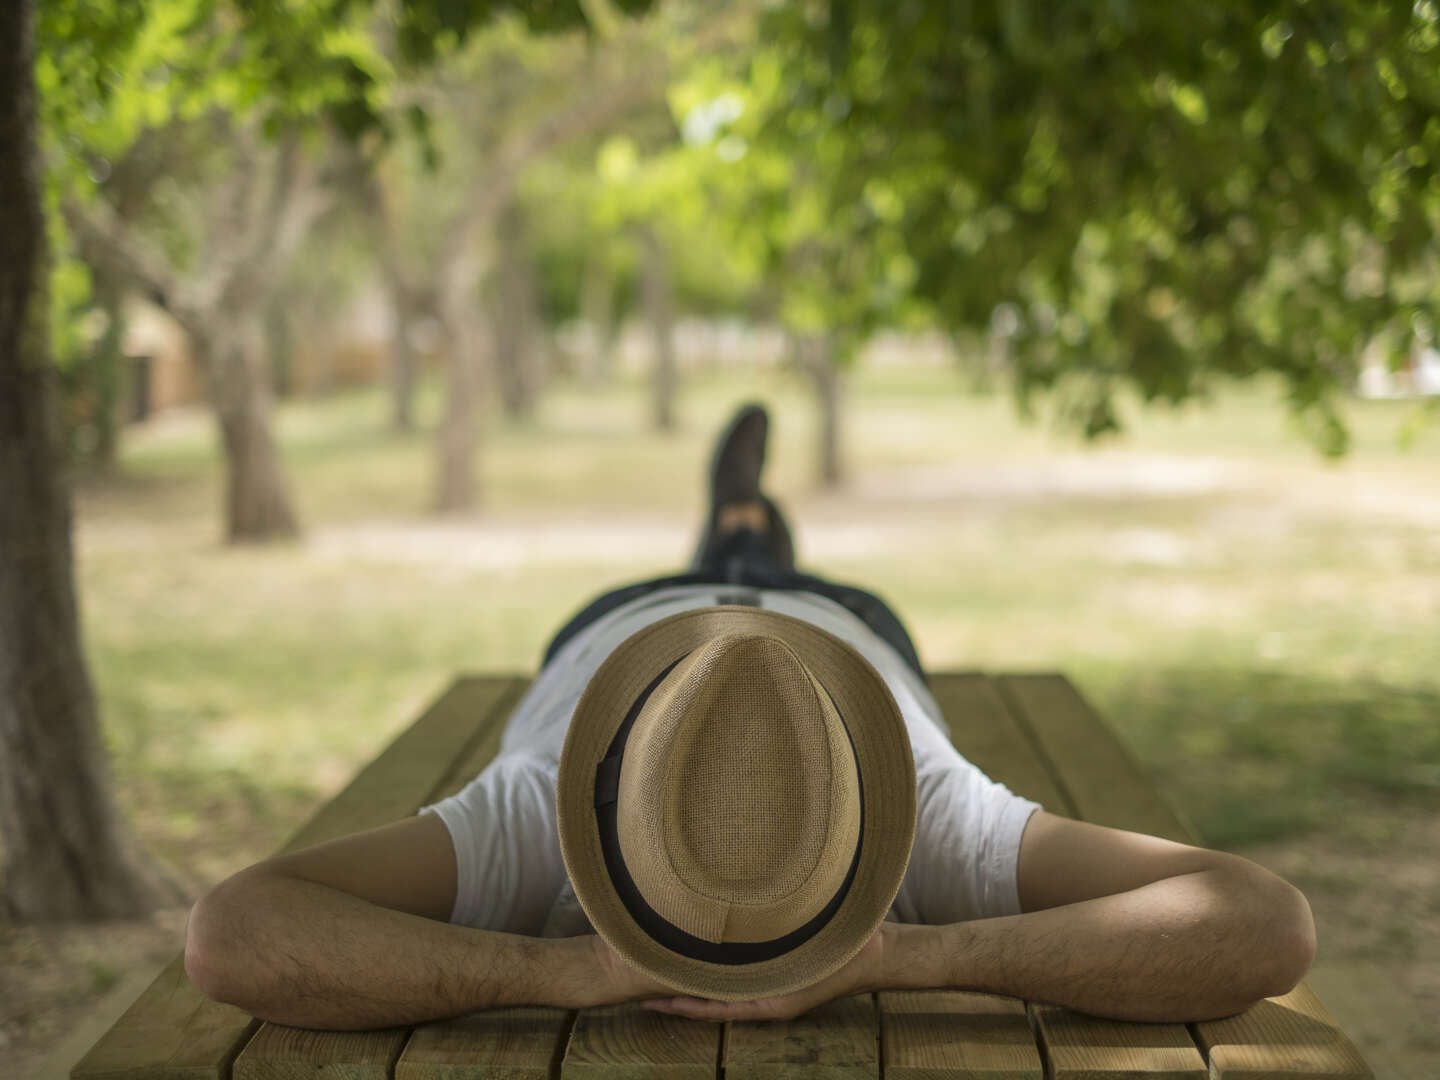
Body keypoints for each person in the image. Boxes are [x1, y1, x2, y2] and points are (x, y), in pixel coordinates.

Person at [184, 404, 1315, 1030]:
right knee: (751, 554)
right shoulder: (555, 806)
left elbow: (1265, 924)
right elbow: (228, 934)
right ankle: (745, 520)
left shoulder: (913, 802)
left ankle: (739, 521)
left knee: (743, 557)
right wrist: (565, 974)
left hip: (726, 634)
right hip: (711, 636)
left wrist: (898, 960)